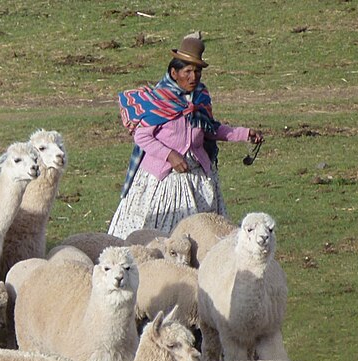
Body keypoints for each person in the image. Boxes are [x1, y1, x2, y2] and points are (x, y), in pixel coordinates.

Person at [107, 32, 263, 238]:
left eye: (197, 71)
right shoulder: (160, 100)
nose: (193, 77)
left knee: (205, 239)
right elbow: (142, 137)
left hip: (197, 180)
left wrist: (244, 133)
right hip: (164, 181)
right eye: (188, 71)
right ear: (174, 73)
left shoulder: (200, 97)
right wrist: (170, 155)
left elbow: (210, 129)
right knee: (160, 240)